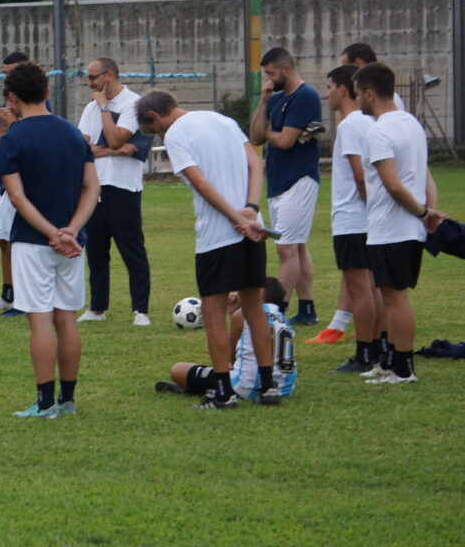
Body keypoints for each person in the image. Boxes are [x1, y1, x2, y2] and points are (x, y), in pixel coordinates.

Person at [136, 90, 279, 410]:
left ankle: (223, 392)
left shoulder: (175, 134)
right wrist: (251, 211)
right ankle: (268, 387)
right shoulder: (222, 119)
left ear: (155, 117)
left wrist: (234, 218)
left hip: (218, 235)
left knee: (213, 312)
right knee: (254, 307)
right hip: (253, 230)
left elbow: (201, 184)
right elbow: (256, 163)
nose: (160, 135)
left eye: (155, 131)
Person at [0, 63, 98, 418]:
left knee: (40, 319)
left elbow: (17, 197)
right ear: (47, 92)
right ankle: (67, 401)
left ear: (11, 97)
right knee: (67, 318)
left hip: (32, 242)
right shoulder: (73, 133)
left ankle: (44, 404)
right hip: (73, 243)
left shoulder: (12, 138)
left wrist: (51, 232)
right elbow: (92, 188)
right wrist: (71, 230)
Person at [354, 62, 444, 385]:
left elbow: (393, 185)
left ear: (369, 93)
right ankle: (392, 363)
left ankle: (404, 369)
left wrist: (422, 213)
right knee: (391, 295)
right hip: (406, 226)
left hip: (394, 226)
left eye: (357, 95)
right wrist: (427, 213)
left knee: (395, 297)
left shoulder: (379, 131)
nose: (357, 102)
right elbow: (426, 177)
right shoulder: (412, 124)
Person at [75, 57, 152, 326]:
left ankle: (140, 310)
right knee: (96, 250)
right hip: (94, 187)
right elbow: (83, 148)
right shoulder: (89, 108)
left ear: (108, 76)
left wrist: (105, 109)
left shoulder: (134, 103)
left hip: (123, 187)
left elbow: (117, 136)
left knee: (132, 249)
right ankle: (97, 308)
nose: (90, 83)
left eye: (93, 78)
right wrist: (114, 151)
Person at [250, 47, 323, 326]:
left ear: (286, 69)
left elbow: (284, 141)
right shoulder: (276, 98)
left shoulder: (305, 97)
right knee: (298, 247)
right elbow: (256, 137)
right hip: (278, 181)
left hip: (299, 179)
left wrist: (271, 133)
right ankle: (307, 309)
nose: (267, 79)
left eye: (270, 73)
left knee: (285, 248)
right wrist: (263, 102)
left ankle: (277, 311)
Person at [313, 65, 379, 355]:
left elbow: (360, 175)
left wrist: (370, 206)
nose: (326, 94)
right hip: (365, 218)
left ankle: (364, 353)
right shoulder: (370, 122)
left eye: (329, 87)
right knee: (373, 286)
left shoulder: (350, 125)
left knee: (359, 288)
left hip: (352, 218)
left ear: (342, 89)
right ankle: (377, 347)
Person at [156, 277, 297, 401]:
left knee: (177, 370)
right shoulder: (285, 321)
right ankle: (204, 386)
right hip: (284, 389)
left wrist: (232, 313)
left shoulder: (242, 315)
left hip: (246, 386)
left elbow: (230, 360)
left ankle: (205, 388)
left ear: (259, 293)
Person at [0, 51, 31, 314]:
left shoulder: (34, 103)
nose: (7, 77)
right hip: (3, 182)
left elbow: (31, 146)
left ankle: (24, 298)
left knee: (19, 241)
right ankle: (8, 294)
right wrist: (2, 128)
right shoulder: (6, 104)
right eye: (5, 72)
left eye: (11, 71)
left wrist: (15, 126)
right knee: (3, 240)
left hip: (23, 184)